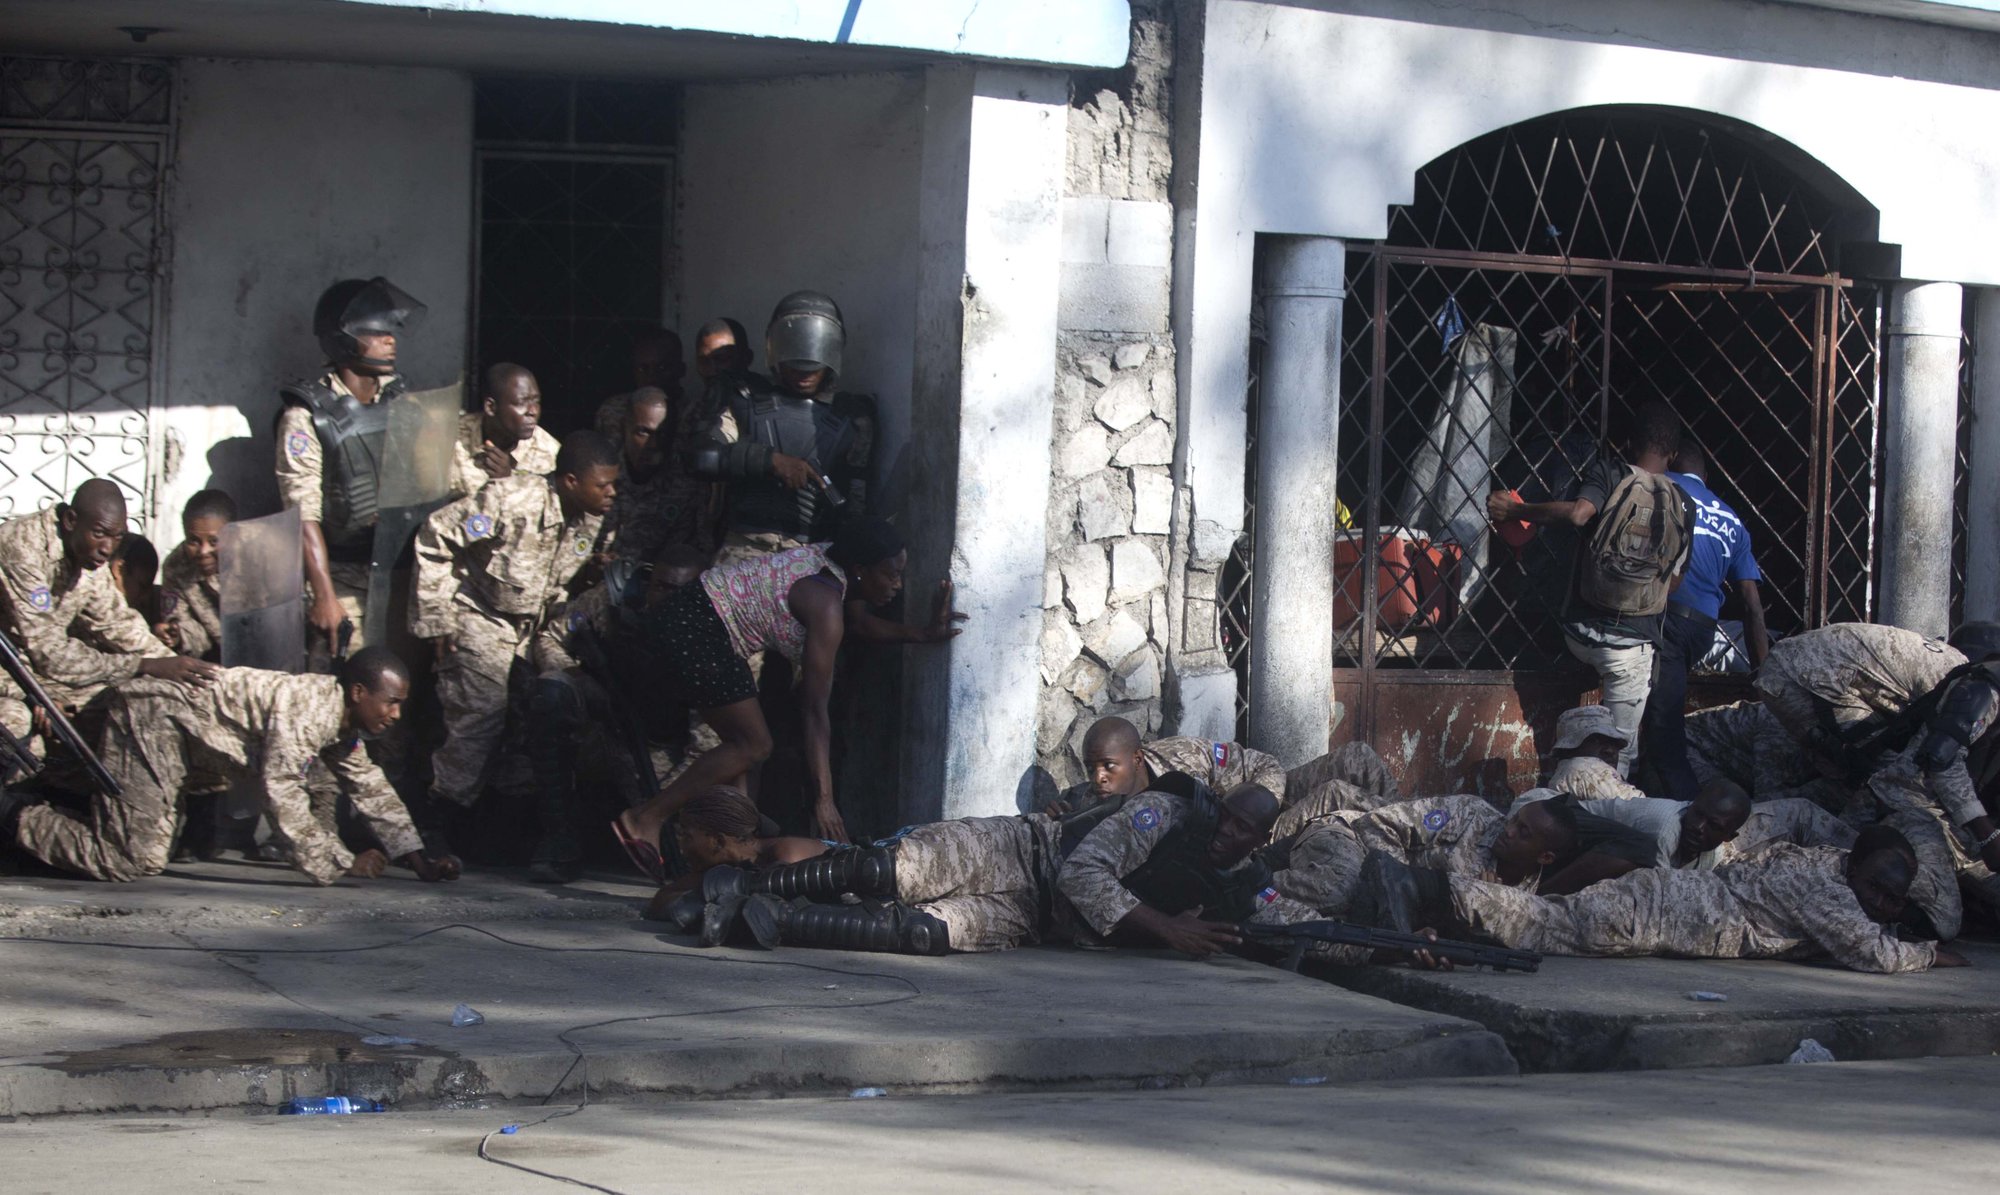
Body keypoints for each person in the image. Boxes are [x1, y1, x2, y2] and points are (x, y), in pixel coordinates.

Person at [610, 517, 961, 871]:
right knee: (754, 745)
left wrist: (923, 634)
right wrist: (824, 800)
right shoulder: (825, 604)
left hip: (691, 621)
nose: (897, 585)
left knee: (743, 760)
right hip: (699, 630)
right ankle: (646, 819)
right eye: (890, 574)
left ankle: (726, 868)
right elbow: (814, 710)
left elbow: (860, 624)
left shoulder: (834, 571)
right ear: (859, 570)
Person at [1, 647, 454, 885]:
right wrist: (340, 861)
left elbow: (370, 786)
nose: (395, 715)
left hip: (180, 741)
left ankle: (30, 809)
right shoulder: (310, 710)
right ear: (358, 693)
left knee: (142, 851)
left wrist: (418, 862)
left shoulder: (340, 721)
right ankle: (13, 815)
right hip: (157, 718)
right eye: (391, 703)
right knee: (129, 858)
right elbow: (282, 795)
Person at [410, 432, 619, 855]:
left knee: (533, 722)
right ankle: (433, 823)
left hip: (533, 628)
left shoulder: (594, 518)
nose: (612, 494)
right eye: (603, 486)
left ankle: (498, 832)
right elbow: (436, 535)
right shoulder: (509, 500)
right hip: (481, 617)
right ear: (571, 481)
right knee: (479, 720)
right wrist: (435, 618)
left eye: (615, 484)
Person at [1396, 827, 1959, 974]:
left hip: (1665, 900)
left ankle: (1430, 904)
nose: (1882, 903)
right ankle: (1419, 891)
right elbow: (1877, 955)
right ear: (1853, 869)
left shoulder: (1821, 860)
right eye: (1877, 889)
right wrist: (1931, 954)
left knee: (1543, 921)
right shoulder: (1829, 893)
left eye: (1892, 898)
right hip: (1655, 917)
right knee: (1540, 922)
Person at [1488, 402, 1692, 775]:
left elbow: (1579, 514)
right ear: (1673, 454)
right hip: (1632, 648)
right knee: (1620, 754)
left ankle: (1560, 785)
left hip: (1577, 635)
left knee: (1561, 734)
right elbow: (1674, 581)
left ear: (1630, 443)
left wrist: (1516, 511)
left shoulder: (1609, 472)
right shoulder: (1684, 503)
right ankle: (1602, 814)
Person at [693, 786, 1068, 954]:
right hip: (1016, 847)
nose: (1099, 777)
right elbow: (1090, 875)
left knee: (921, 933)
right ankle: (742, 883)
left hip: (1038, 911)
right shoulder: (1118, 811)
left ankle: (771, 919)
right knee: (881, 870)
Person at [525, 544, 710, 883]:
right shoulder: (618, 598)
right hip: (604, 725)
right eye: (661, 587)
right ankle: (559, 837)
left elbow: (709, 746)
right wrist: (579, 677)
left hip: (659, 749)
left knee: (673, 854)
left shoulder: (717, 634)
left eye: (681, 592)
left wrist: (661, 805)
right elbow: (549, 638)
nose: (668, 599)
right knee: (552, 690)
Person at [274, 276, 427, 658]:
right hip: (343, 582)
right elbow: (302, 514)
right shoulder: (307, 417)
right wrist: (325, 596)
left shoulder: (403, 403)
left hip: (404, 579)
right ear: (342, 339)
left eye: (391, 331)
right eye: (377, 332)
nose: (390, 339)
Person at [0, 480, 215, 741]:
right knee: (18, 724)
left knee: (132, 700)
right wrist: (144, 665)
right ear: (70, 521)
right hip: (13, 676)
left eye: (117, 537)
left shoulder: (88, 557)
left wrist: (179, 668)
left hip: (29, 673)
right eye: (100, 534)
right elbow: (49, 652)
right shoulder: (21, 548)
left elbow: (118, 624)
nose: (108, 549)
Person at [691, 291, 877, 567]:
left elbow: (856, 505)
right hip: (745, 548)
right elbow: (703, 457)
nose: (803, 375)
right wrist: (770, 461)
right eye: (795, 366)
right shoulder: (744, 398)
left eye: (812, 368)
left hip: (815, 553)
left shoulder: (852, 417)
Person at [1635, 442, 1769, 800]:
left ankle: (1688, 815)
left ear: (1671, 460)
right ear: (1706, 477)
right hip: (1703, 628)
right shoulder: (1732, 519)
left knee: (1664, 733)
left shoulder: (1662, 485)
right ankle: (1652, 798)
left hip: (1666, 621)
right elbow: (1752, 606)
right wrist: (1764, 676)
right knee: (1658, 714)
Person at [1258, 792, 1583, 923]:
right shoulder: (1469, 814)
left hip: (1381, 908)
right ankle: (1240, 886)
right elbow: (1378, 824)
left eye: (1524, 833)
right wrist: (1398, 888)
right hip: (1347, 837)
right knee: (1340, 889)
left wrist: (1481, 902)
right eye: (1515, 821)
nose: (1509, 831)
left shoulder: (1519, 899)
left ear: (1545, 857)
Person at [1037, 715, 1288, 818]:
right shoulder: (1092, 805)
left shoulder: (1184, 756)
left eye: (1108, 766)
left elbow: (1266, 765)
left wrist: (1247, 818)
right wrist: (1058, 820)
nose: (1098, 778)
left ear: (1137, 759)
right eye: (1091, 768)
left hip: (1263, 821)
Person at [601, 386, 716, 564]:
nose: (653, 444)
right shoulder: (601, 477)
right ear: (625, 428)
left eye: (662, 434)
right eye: (643, 432)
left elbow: (696, 552)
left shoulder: (685, 486)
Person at [450, 363, 559, 498]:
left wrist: (508, 482)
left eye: (536, 402)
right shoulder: (451, 438)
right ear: (491, 407)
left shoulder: (549, 452)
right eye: (522, 402)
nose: (533, 411)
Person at [159, 489, 235, 663]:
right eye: (193, 541)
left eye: (214, 541)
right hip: (221, 662)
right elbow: (194, 630)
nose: (203, 551)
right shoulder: (177, 567)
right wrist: (178, 635)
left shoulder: (259, 555)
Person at [1544, 706, 1647, 801]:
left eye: (1614, 743)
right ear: (1569, 748)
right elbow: (1642, 807)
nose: (1610, 751)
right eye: (1596, 740)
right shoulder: (1583, 769)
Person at [693, 317, 752, 384]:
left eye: (721, 359)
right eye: (704, 361)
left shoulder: (763, 392)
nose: (712, 370)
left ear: (746, 358)